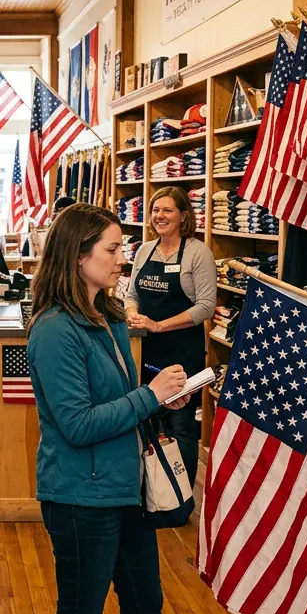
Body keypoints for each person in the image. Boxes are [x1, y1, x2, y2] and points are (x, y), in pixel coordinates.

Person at [26, 203, 191, 614]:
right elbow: (77, 424)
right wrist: (147, 397)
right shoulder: (56, 330)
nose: (123, 259)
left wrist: (158, 399)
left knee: (145, 603)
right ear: (79, 256)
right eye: (113, 248)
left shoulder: (107, 315)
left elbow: (117, 398)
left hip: (125, 488)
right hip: (81, 498)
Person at [125, 186, 215, 486]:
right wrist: (133, 313)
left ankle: (181, 496)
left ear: (183, 215)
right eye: (155, 210)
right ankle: (148, 491)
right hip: (145, 350)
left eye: (167, 210)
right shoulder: (144, 250)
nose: (159, 216)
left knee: (181, 424)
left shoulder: (198, 253)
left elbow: (205, 307)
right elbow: (132, 293)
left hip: (181, 353)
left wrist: (160, 325)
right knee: (144, 416)